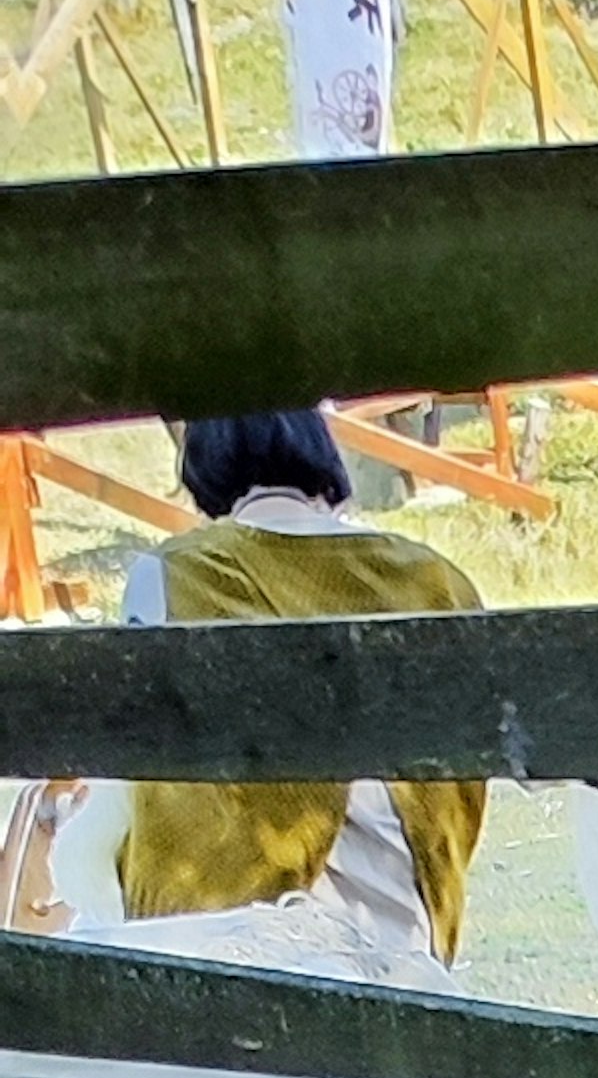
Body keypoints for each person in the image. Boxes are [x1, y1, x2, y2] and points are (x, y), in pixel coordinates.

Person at [101, 404, 486, 995]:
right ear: (320, 450)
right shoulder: (436, 579)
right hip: (407, 951)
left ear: (201, 465)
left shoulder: (172, 575)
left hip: (220, 956)